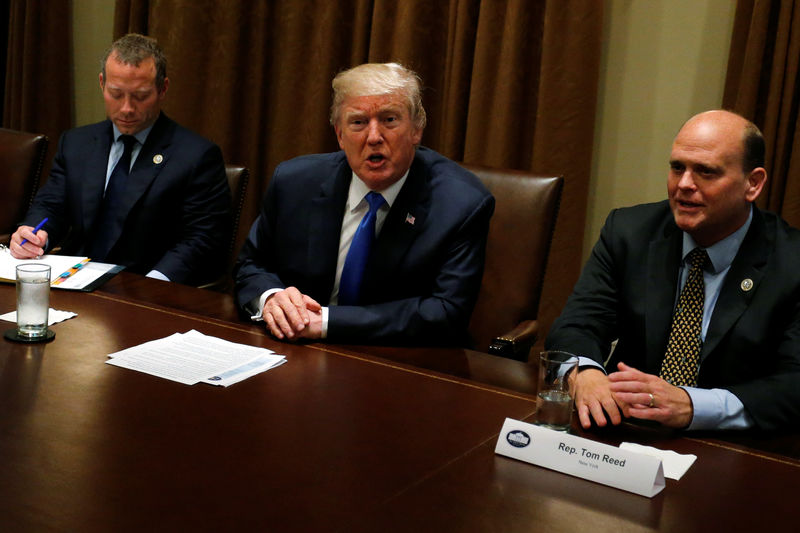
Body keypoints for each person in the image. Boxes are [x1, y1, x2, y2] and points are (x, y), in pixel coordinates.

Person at [545, 109, 800, 432]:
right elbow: (577, 324)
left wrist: (693, 405)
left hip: (732, 446)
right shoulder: (629, 232)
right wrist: (586, 373)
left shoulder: (791, 263)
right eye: (677, 167)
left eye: (706, 172)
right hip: (626, 430)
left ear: (753, 183)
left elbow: (794, 384)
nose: (684, 184)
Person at [234, 62, 494, 345]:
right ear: (340, 134)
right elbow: (251, 264)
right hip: (295, 351)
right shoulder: (295, 182)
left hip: (401, 363)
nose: (373, 137)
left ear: (417, 129)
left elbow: (445, 312)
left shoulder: (460, 204)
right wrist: (271, 298)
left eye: (389, 120)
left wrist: (326, 322)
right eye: (358, 122)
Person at [11, 33, 230, 285]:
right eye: (116, 94)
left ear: (163, 89)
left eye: (140, 96)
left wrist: (153, 284)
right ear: (102, 84)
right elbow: (52, 205)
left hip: (146, 288)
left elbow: (201, 239)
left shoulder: (197, 156)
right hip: (74, 282)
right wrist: (34, 234)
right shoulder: (77, 143)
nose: (126, 108)